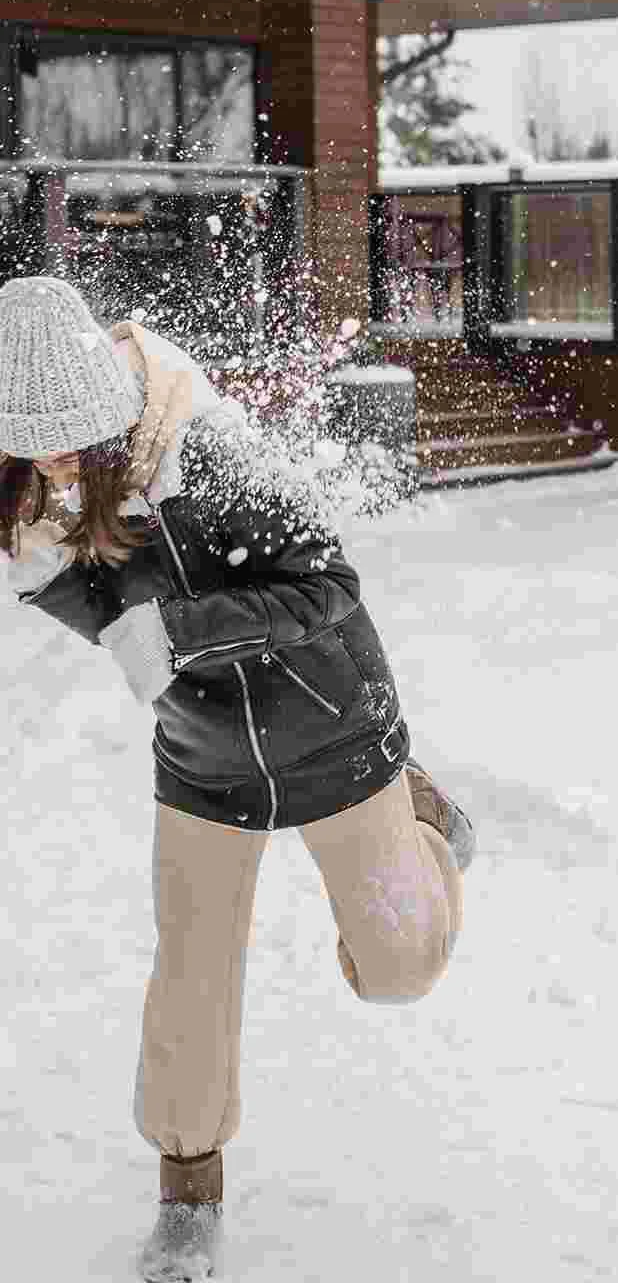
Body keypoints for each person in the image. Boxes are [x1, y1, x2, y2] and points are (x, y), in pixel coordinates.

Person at [0, 276, 474, 1282]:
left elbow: (330, 584)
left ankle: (427, 824)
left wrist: (180, 631)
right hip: (203, 764)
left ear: (104, 410)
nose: (47, 459)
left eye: (61, 437)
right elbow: (81, 602)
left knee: (400, 965)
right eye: (23, 438)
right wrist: (136, 637)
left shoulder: (207, 447)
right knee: (190, 973)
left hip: (335, 731)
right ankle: (187, 1184)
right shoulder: (26, 493)